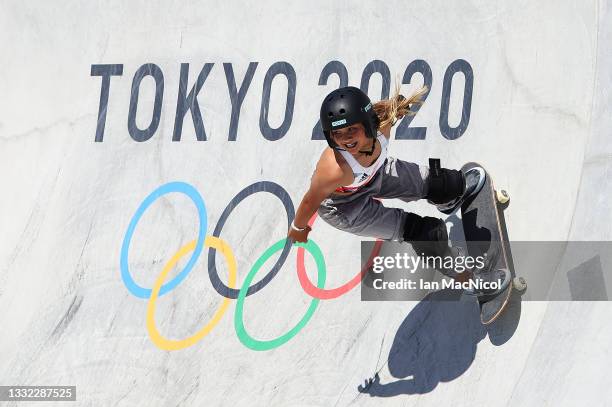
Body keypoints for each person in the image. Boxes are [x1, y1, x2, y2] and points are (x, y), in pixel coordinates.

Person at [287, 86, 509, 296]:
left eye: (352, 129)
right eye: (338, 133)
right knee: (425, 233)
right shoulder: (334, 170)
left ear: (369, 123)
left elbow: (391, 108)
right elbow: (310, 201)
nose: (346, 139)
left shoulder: (383, 126)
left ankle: (447, 199)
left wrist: (398, 105)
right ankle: (468, 279)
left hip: (377, 174)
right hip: (345, 209)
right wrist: (298, 227)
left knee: (445, 183)